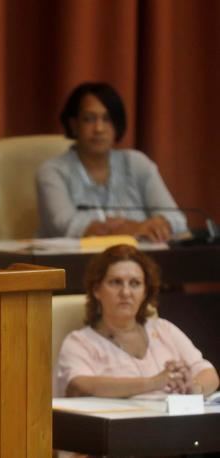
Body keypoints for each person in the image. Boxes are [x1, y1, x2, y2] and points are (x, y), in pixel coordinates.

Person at [55, 244, 219, 398]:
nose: (126, 292)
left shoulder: (164, 330)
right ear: (96, 289)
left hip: (176, 425)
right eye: (115, 282)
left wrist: (194, 389)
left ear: (145, 292)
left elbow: (208, 372)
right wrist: (153, 383)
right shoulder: (80, 342)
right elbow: (79, 385)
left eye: (135, 284)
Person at [36, 82, 188, 242]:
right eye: (89, 119)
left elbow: (177, 219)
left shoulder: (137, 163)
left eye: (107, 119)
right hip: (74, 263)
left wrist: (159, 223)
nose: (99, 128)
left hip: (138, 263)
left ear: (117, 125)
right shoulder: (52, 172)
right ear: (74, 125)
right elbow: (66, 225)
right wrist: (132, 228)